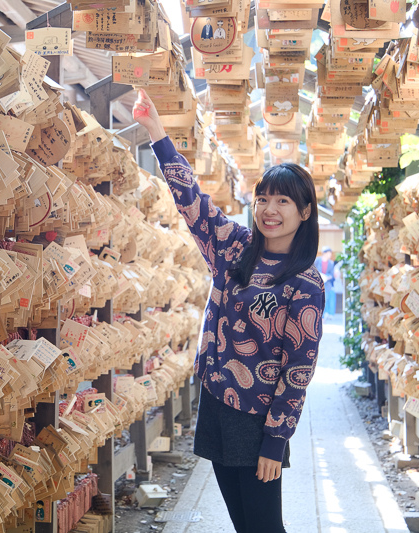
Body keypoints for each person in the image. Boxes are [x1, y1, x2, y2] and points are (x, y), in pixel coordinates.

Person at [133, 89, 324, 533]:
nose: (269, 210)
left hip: (259, 417)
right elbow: (192, 204)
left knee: (264, 526)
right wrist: (157, 133)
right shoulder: (234, 248)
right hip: (218, 404)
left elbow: (298, 370)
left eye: (282, 202)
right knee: (244, 525)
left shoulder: (305, 284)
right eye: (263, 199)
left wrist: (276, 441)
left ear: (305, 212)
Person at [314, 247, 336, 320]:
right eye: (329, 253)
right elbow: (313, 270)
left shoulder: (331, 263)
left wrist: (327, 277)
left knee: (325, 298)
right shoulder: (317, 260)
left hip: (326, 284)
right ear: (325, 253)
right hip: (317, 283)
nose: (330, 255)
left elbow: (331, 274)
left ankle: (323, 315)